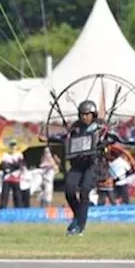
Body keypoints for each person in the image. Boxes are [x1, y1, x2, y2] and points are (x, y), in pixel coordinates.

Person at [48, 99, 125, 236]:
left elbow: (114, 139)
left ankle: (79, 227)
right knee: (69, 190)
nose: (85, 117)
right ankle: (78, 217)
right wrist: (50, 139)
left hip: (93, 165)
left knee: (84, 191)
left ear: (93, 114)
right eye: (82, 114)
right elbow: (65, 138)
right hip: (78, 164)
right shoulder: (75, 127)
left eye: (88, 114)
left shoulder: (101, 128)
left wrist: (106, 141)